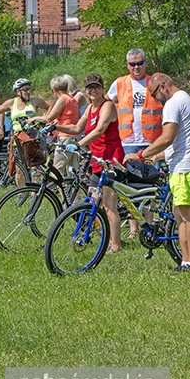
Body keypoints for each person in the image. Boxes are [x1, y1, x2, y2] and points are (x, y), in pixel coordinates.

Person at [125, 74, 190, 273]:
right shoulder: (186, 100)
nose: (155, 100)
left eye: (154, 94)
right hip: (183, 165)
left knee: (189, 217)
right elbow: (183, 139)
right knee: (179, 215)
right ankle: (186, 261)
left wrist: (140, 154)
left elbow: (167, 138)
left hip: (187, 167)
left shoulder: (173, 103)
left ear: (162, 86)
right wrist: (158, 156)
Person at [55, 74, 124, 253]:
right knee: (93, 202)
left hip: (111, 160)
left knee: (109, 203)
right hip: (97, 160)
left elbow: (100, 129)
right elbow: (77, 128)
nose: (93, 90)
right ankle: (103, 237)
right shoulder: (90, 108)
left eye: (96, 87)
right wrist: (54, 126)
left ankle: (115, 245)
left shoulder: (107, 106)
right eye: (89, 87)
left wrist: (78, 144)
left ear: (102, 88)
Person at [107, 48, 163, 237]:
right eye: (132, 64)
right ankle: (133, 228)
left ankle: (149, 225)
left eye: (140, 63)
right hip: (127, 141)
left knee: (150, 185)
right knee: (130, 187)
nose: (136, 67)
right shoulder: (120, 83)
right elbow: (107, 104)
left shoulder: (153, 83)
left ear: (146, 63)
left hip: (152, 141)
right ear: (127, 65)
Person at [29, 76, 81, 175]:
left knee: (57, 169)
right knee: (73, 170)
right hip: (74, 136)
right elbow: (68, 117)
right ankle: (74, 190)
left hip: (65, 137)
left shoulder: (62, 99)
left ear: (54, 90)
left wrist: (33, 119)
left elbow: (48, 118)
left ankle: (54, 190)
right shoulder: (72, 99)